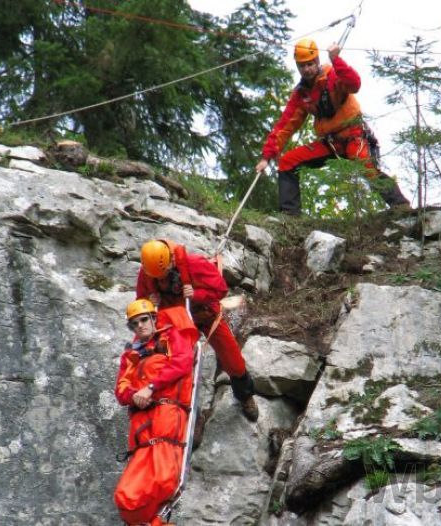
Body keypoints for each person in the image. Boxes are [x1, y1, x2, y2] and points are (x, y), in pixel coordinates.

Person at [255, 38, 410, 215]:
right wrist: (267, 156)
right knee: (287, 162)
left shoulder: (332, 76)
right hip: (330, 143)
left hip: (353, 134)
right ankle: (290, 217)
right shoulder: (301, 94)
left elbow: (354, 84)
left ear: (317, 61)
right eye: (302, 66)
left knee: (366, 167)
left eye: (310, 64)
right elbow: (285, 125)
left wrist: (337, 60)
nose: (306, 69)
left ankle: (400, 206)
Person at [136, 239, 259, 422]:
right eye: (157, 277)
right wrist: (149, 303)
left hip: (206, 315)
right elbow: (140, 304)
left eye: (163, 274)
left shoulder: (194, 264)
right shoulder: (148, 273)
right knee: (180, 367)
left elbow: (221, 290)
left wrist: (196, 294)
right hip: (178, 322)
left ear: (170, 261)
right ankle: (191, 414)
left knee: (233, 360)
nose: (160, 279)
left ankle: (245, 395)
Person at [113, 298, 198, 526]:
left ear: (153, 318)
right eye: (134, 324)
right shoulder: (130, 356)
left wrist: (151, 387)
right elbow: (121, 390)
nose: (140, 326)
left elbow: (183, 361)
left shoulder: (170, 337)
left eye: (143, 320)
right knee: (126, 498)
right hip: (142, 430)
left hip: (166, 419)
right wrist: (136, 395)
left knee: (163, 481)